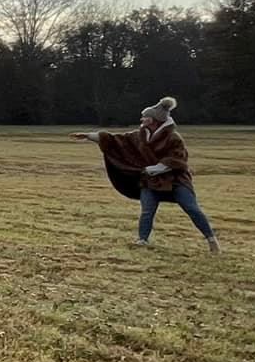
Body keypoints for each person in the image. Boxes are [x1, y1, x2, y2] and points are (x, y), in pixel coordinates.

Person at [72, 97, 219, 252]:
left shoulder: (174, 138)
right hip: (150, 181)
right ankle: (142, 240)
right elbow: (117, 140)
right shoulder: (139, 135)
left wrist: (157, 168)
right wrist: (90, 136)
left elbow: (177, 159)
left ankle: (211, 239)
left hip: (176, 181)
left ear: (154, 120)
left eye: (145, 117)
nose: (142, 119)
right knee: (147, 211)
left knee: (192, 208)